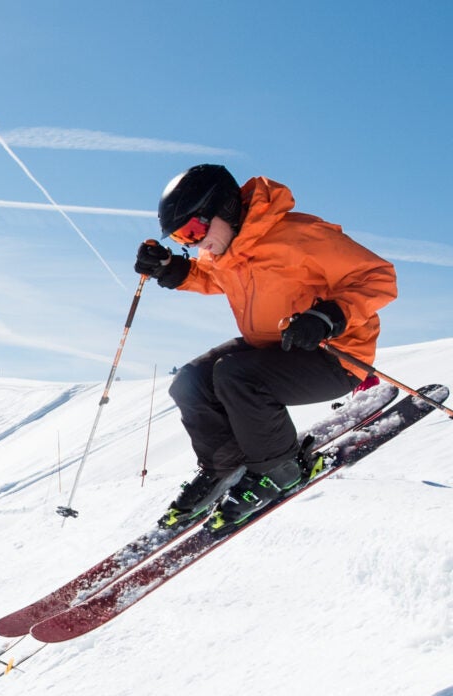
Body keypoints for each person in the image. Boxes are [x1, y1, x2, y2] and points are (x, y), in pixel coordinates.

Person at [136, 164, 399, 533]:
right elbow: (213, 277)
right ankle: (224, 464)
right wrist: (171, 267)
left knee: (235, 375)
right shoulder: (226, 250)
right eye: (182, 237)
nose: (194, 243)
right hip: (276, 348)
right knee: (191, 380)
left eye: (194, 230)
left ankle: (280, 467)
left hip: (334, 354)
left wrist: (328, 315)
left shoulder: (299, 235)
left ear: (224, 208)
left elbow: (378, 276)